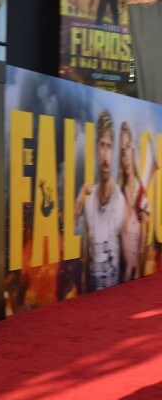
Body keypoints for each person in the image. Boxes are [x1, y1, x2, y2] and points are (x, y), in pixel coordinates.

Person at [75, 109, 127, 291]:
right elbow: (86, 261)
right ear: (97, 147)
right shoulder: (90, 205)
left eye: (110, 146)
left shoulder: (120, 201)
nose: (105, 155)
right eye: (102, 145)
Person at [117, 121, 145, 281]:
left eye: (128, 147)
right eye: (122, 151)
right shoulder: (119, 193)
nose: (126, 156)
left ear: (133, 149)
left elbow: (143, 242)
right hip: (122, 277)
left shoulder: (141, 192)